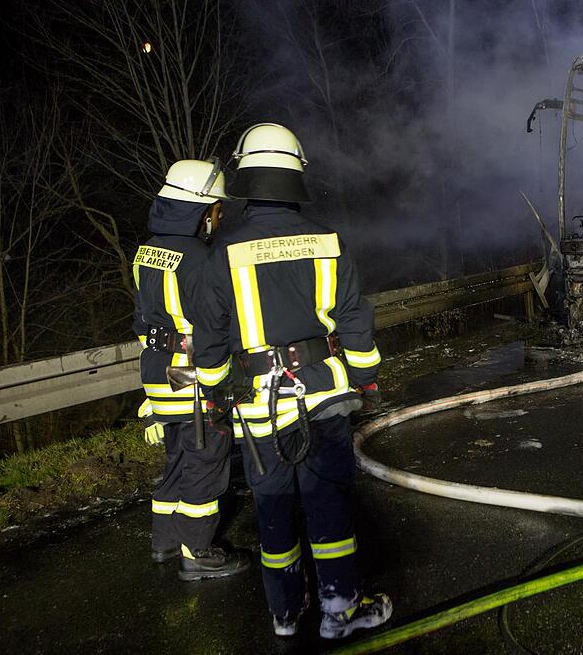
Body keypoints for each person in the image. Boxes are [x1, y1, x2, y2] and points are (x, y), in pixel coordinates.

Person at [193, 123, 391, 639]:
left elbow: (210, 341)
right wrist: (366, 379)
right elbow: (355, 320)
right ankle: (340, 613)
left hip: (257, 409)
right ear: (296, 175)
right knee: (329, 505)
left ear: (246, 176)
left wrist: (215, 395)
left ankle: (284, 614)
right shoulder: (328, 242)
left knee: (273, 509)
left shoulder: (222, 251)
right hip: (323, 397)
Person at [133, 159, 248, 581]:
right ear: (199, 209)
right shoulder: (200, 257)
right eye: (217, 208)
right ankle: (196, 552)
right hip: (194, 376)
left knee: (178, 459)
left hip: (158, 373)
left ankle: (164, 541)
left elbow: (141, 322)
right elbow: (214, 324)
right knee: (207, 461)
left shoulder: (147, 251)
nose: (220, 216)